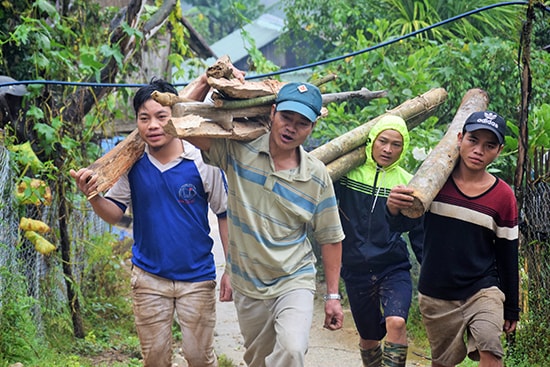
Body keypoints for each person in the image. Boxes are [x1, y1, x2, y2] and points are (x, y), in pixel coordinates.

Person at [70, 78, 230, 367]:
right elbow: (115, 212)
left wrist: (232, 268)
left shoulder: (202, 161)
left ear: (176, 118)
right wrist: (93, 196)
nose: (153, 125)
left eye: (161, 117)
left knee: (199, 358)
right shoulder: (132, 165)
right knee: (154, 359)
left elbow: (224, 214)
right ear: (137, 123)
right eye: (144, 118)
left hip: (197, 278)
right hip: (148, 278)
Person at [186, 81, 345, 367]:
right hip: (248, 284)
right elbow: (185, 125)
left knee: (292, 349)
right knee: (258, 360)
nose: (291, 128)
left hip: (294, 278)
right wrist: (206, 81)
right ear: (272, 112)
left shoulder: (316, 176)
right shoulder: (239, 151)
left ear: (312, 128)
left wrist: (332, 295)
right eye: (286, 117)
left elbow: (330, 237)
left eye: (302, 123)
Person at [386, 110, 520, 367]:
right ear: (460, 138)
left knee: (491, 350)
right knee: (443, 362)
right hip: (437, 291)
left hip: (482, 289)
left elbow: (507, 254)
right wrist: (392, 207)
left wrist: (511, 306)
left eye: (489, 145)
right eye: (473, 140)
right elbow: (403, 224)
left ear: (499, 151)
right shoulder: (433, 183)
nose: (479, 150)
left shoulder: (503, 197)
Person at [335, 115, 423, 367]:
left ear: (403, 147)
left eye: (396, 144)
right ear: (371, 141)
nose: (388, 149)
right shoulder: (346, 174)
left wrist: (428, 271)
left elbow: (415, 230)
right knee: (369, 338)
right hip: (355, 268)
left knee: (396, 322)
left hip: (392, 266)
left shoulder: (407, 183)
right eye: (383, 141)